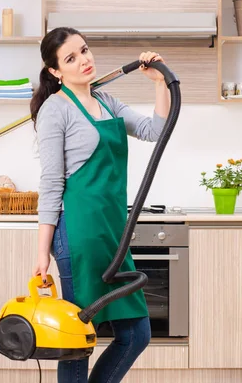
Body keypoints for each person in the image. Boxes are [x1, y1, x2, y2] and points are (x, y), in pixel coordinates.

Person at [30, 26, 171, 383]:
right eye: (71, 58)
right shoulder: (54, 110)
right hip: (79, 236)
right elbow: (51, 184)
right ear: (55, 71)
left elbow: (155, 131)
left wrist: (158, 83)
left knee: (136, 334)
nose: (84, 61)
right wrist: (41, 252)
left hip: (112, 234)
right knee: (77, 340)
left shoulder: (108, 102)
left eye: (85, 50)